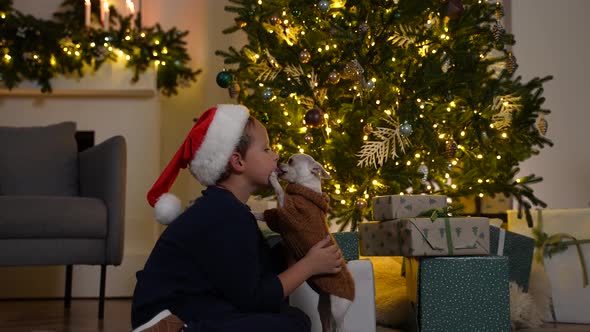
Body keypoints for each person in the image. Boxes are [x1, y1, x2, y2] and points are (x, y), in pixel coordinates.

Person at [131, 104, 342, 332]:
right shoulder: (223, 214)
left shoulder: (231, 208)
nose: (276, 154)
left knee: (293, 318)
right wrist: (309, 265)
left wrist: (295, 238)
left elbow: (260, 274)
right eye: (266, 149)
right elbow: (255, 298)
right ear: (238, 161)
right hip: (167, 315)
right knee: (288, 325)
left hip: (201, 302)